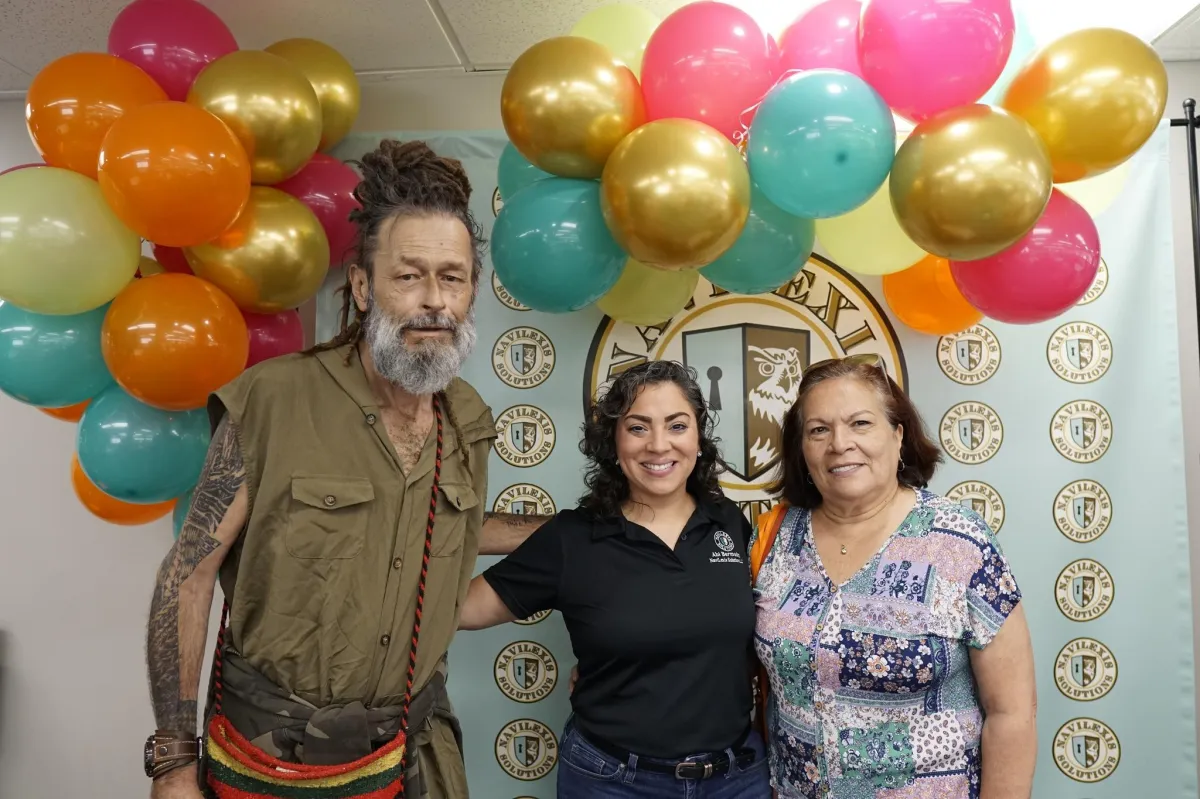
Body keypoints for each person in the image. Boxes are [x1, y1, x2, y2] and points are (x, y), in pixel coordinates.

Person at [142, 140, 551, 799]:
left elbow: (442, 530)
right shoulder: (273, 399)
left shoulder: (468, 419)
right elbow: (187, 576)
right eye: (408, 276)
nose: (434, 301)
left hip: (413, 754)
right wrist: (173, 760)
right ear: (362, 286)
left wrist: (582, 528)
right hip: (273, 757)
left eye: (452, 278)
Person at [459, 360, 772, 798]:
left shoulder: (729, 522)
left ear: (698, 437)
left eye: (677, 425)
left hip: (736, 779)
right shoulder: (573, 538)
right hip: (613, 783)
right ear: (613, 441)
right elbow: (458, 610)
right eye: (638, 427)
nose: (658, 445)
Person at [748, 355, 1036, 799]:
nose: (840, 443)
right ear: (801, 449)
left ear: (898, 435)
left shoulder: (959, 541)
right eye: (819, 430)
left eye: (860, 423)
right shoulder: (775, 538)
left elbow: (1012, 712)